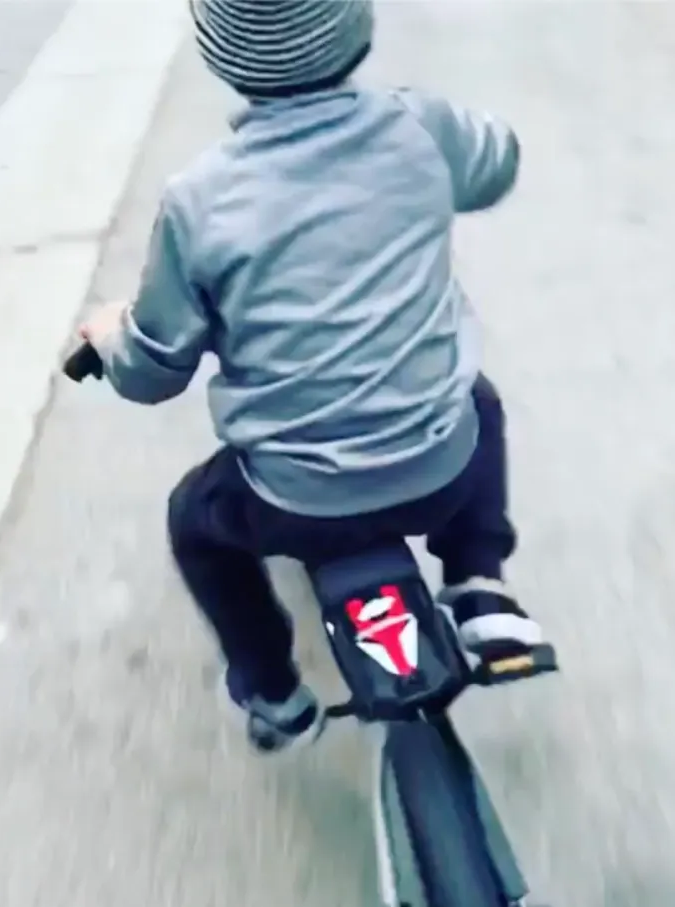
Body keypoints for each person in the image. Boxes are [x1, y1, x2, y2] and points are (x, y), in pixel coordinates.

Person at [80, 0, 547, 754]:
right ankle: (477, 580)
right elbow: (499, 165)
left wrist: (111, 337)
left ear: (221, 55)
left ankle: (274, 691)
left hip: (291, 499)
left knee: (195, 524)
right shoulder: (419, 129)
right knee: (478, 401)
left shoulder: (199, 201)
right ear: (358, 26)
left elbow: (152, 371)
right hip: (440, 469)